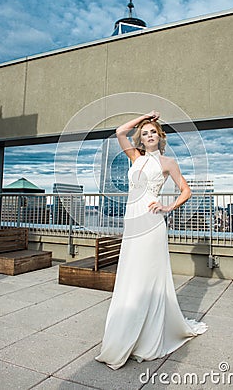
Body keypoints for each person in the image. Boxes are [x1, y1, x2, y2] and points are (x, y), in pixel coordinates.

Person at [95, 111, 207, 370]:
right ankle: (129, 328)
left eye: (152, 131)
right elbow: (119, 132)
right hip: (132, 219)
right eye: (144, 133)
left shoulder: (168, 162)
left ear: (160, 136)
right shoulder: (135, 156)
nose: (148, 136)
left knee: (148, 275)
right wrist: (144, 116)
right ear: (142, 140)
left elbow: (186, 190)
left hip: (152, 218)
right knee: (131, 273)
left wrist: (168, 207)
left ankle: (147, 335)